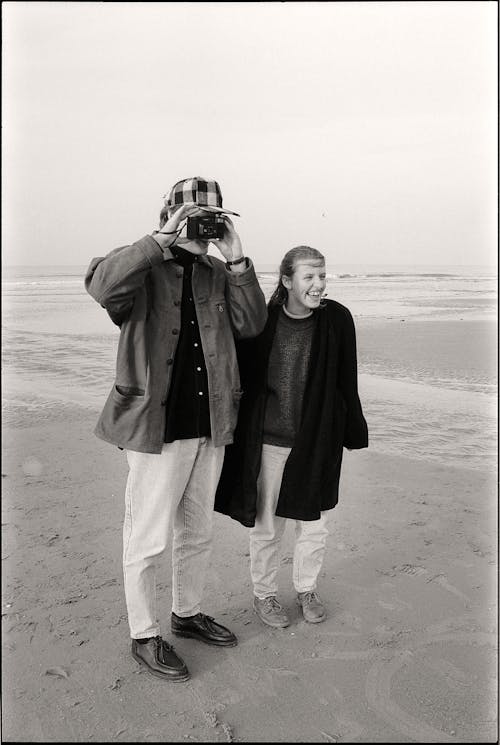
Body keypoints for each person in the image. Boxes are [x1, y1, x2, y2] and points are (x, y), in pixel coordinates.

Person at [85, 177, 267, 681]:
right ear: (170, 214)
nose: (204, 226)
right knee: (146, 538)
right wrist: (159, 240)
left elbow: (251, 325)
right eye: (193, 216)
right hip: (154, 426)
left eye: (213, 217)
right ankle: (144, 635)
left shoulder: (218, 270)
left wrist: (237, 260)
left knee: (198, 531)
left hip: (211, 423)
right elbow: (102, 289)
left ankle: (186, 615)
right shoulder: (139, 264)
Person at [214, 245, 368, 628]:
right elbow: (240, 379)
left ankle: (306, 589)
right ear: (287, 281)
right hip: (268, 442)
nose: (319, 285)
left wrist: (351, 430)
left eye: (322, 276)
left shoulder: (337, 320)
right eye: (309, 277)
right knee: (267, 527)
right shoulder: (262, 322)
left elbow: (347, 378)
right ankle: (265, 595)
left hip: (316, 440)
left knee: (314, 525)